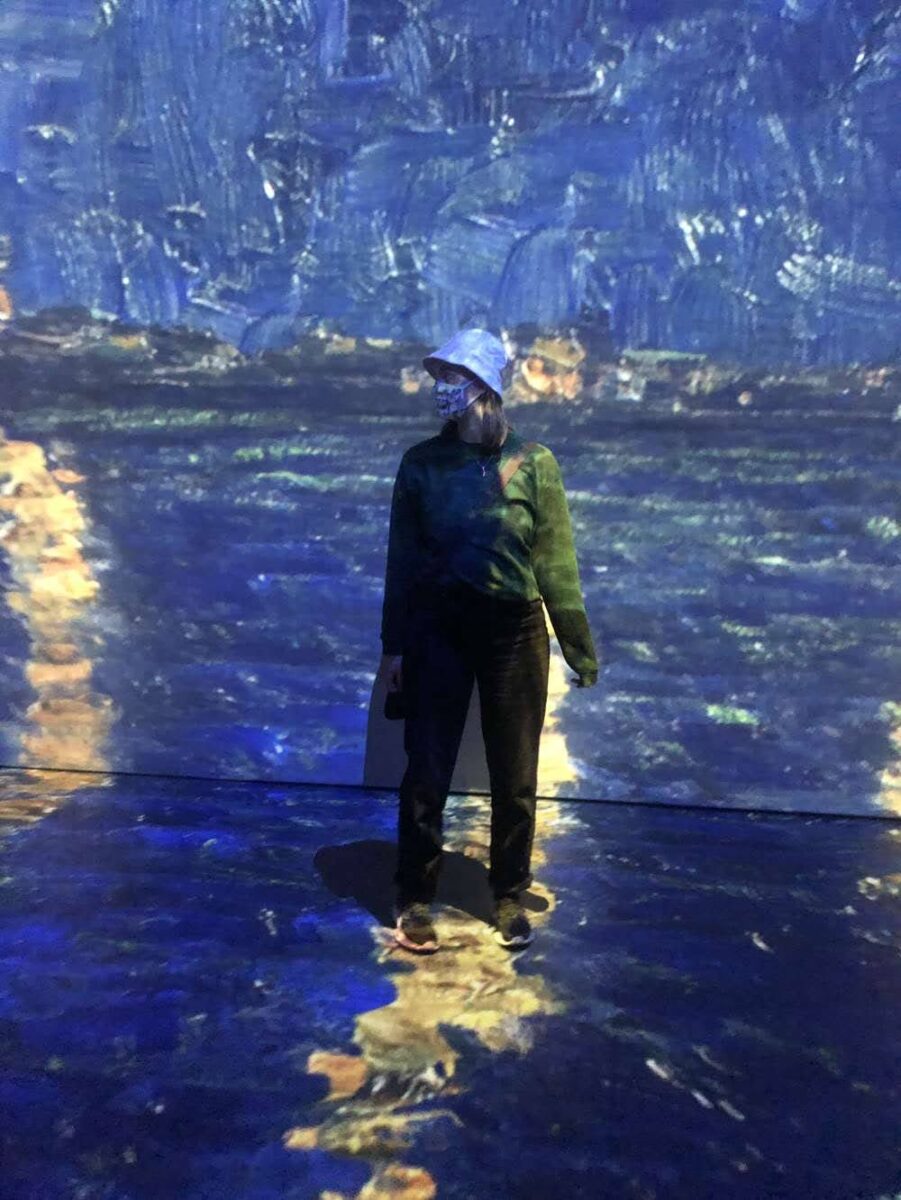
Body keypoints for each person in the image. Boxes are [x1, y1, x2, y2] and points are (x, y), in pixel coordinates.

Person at [380, 328, 599, 955]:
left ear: (484, 388)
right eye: (441, 377)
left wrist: (578, 647)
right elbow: (402, 563)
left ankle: (507, 892)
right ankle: (414, 894)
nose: (442, 389)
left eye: (455, 377)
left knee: (515, 772)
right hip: (437, 629)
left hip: (514, 632)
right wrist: (393, 647)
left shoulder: (535, 464)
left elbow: (556, 563)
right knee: (426, 769)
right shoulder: (421, 464)